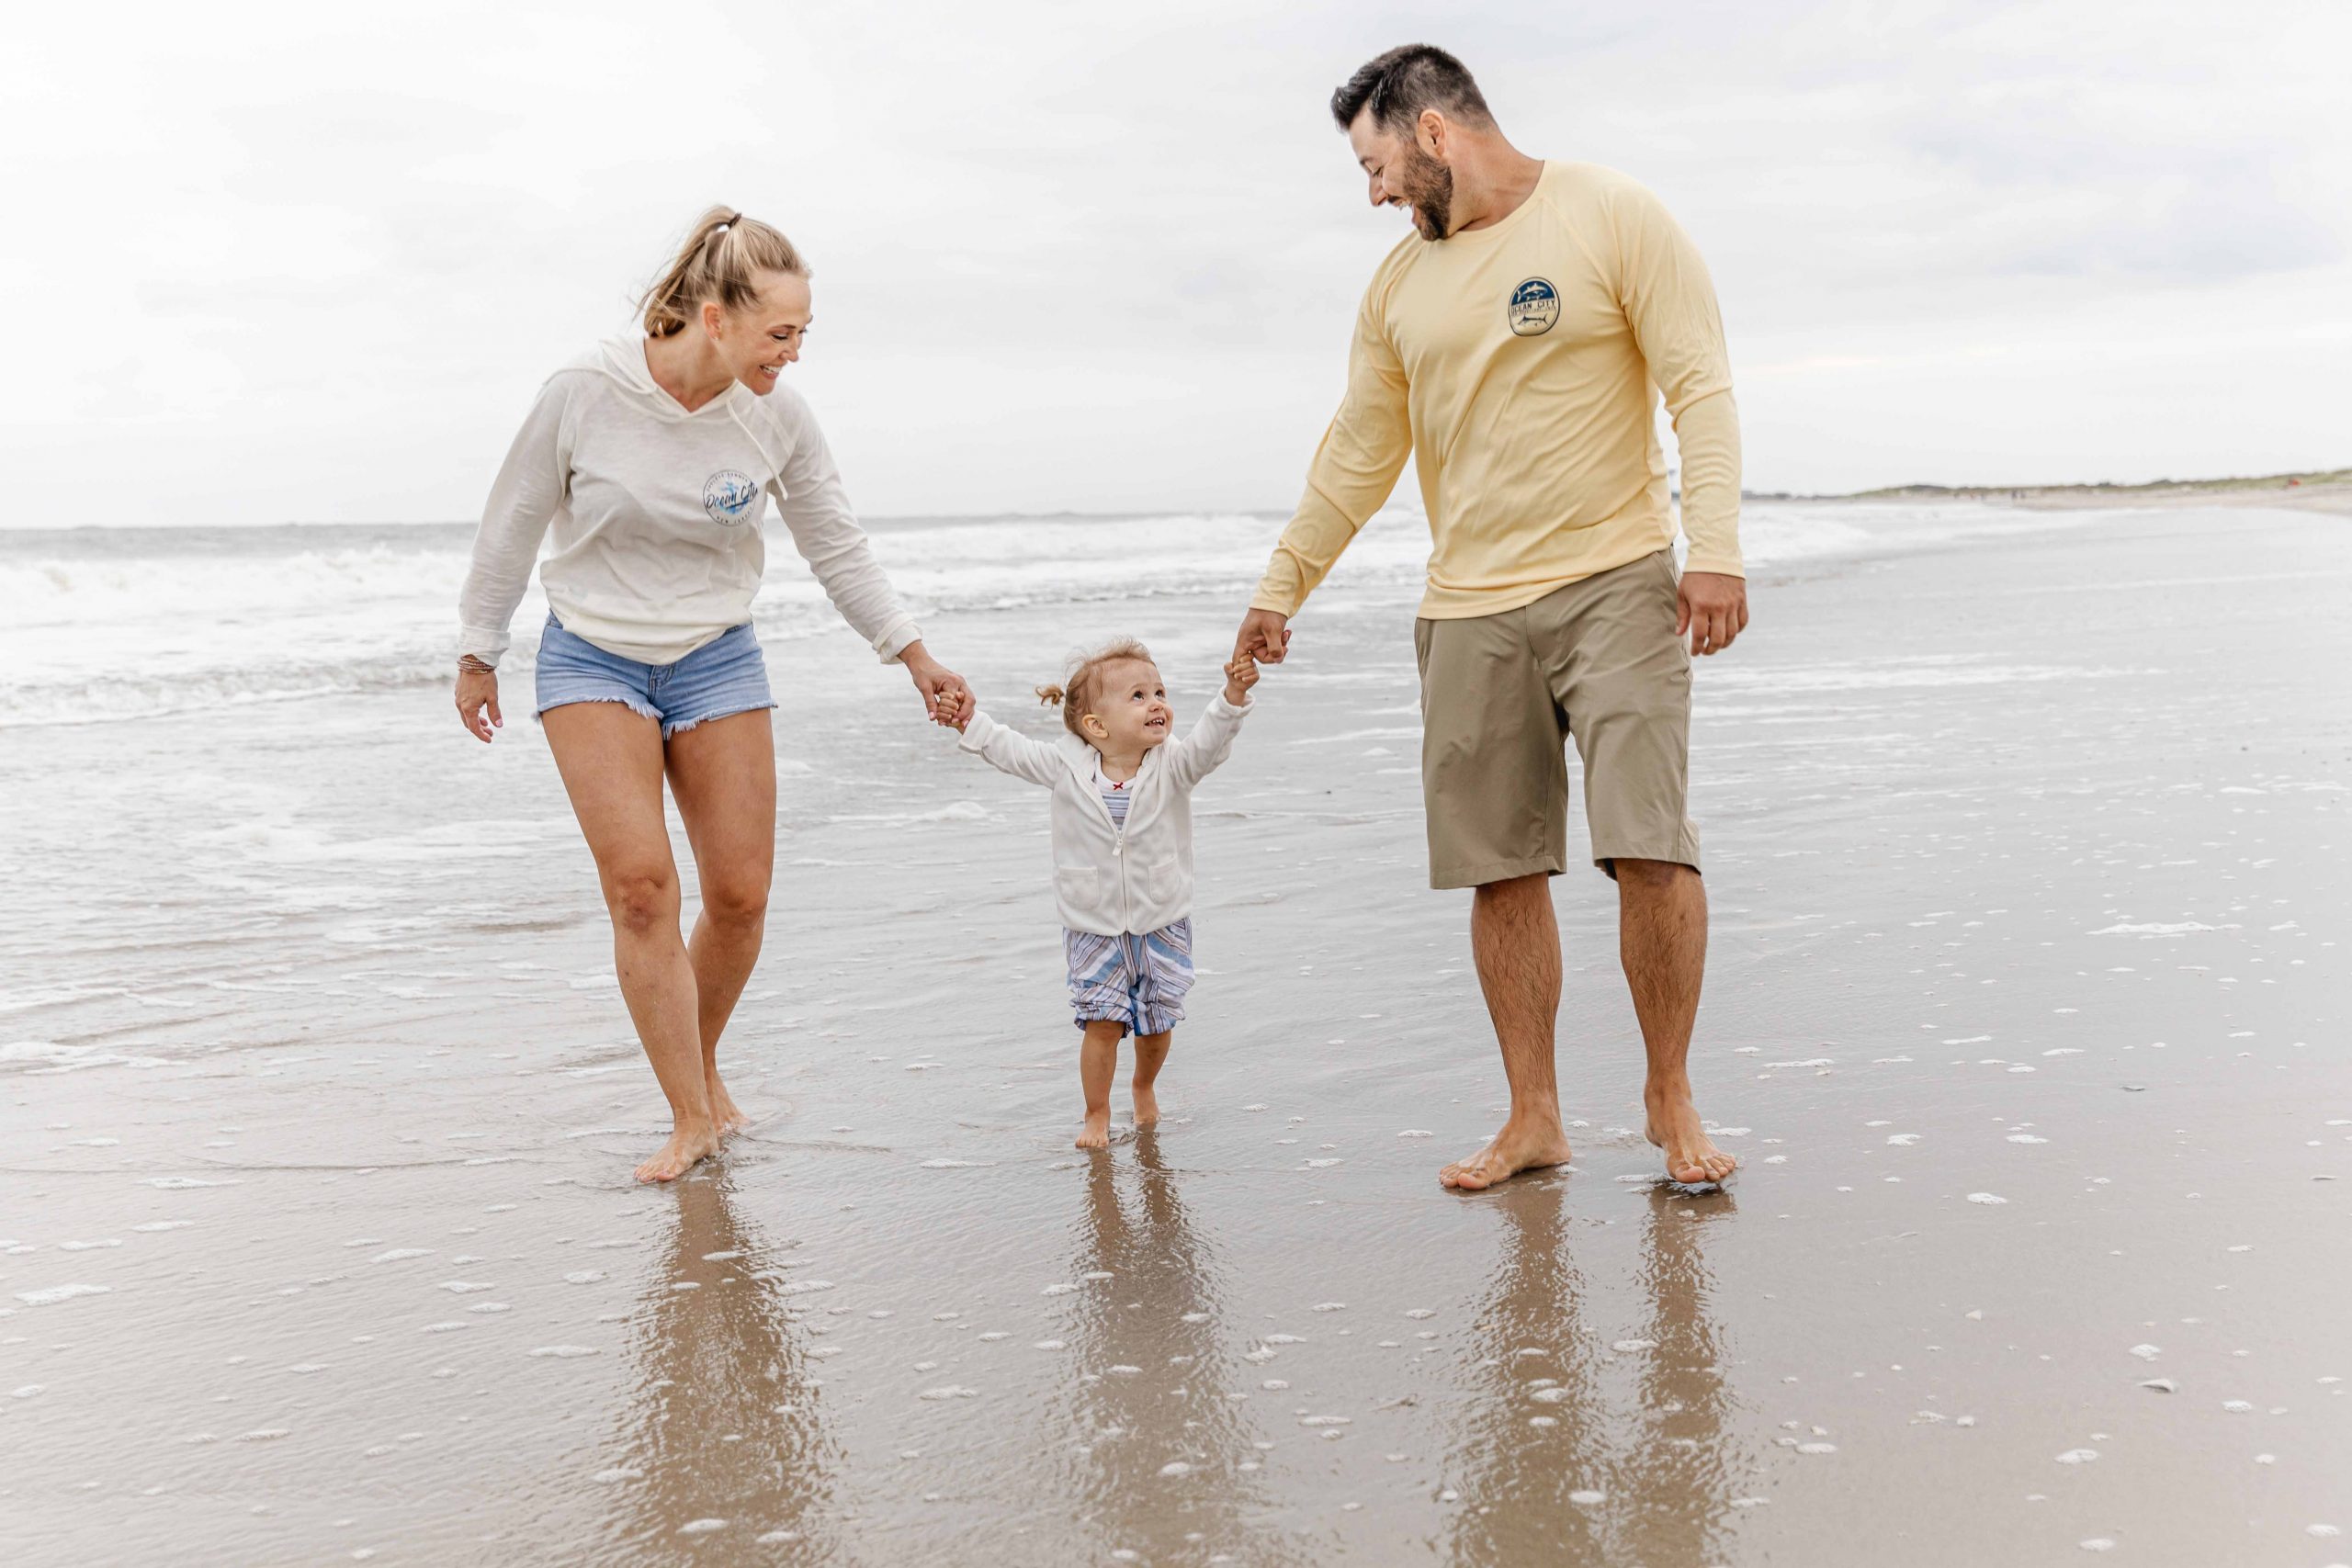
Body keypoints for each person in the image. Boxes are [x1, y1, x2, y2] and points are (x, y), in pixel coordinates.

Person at [1230, 45, 1748, 1190]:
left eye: (1373, 166)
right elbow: (1361, 449)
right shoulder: (1397, 287)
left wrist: (1713, 551)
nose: (1369, 195)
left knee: (1647, 846)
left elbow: (1698, 386)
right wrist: (1283, 584)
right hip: (1468, 609)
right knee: (1498, 869)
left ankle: (1668, 1091)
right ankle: (1534, 1118)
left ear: (1429, 134)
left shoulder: (1610, 213)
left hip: (1617, 576)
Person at [454, 206, 971, 1183]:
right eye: (780, 333)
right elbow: (512, 522)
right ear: (713, 316)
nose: (793, 353)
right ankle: (691, 1115)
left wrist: (912, 653)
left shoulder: (775, 414)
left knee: (738, 896)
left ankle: (701, 1066)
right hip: (591, 658)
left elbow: (833, 541)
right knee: (643, 887)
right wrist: (479, 650)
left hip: (716, 655)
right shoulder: (584, 390)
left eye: (802, 335)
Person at [942, 640, 1258, 1148]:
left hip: (1162, 919)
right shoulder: (1065, 766)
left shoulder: (1172, 764)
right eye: (1138, 696)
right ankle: (1096, 1113)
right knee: (1102, 1024)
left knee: (1157, 1021)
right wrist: (968, 722)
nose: (1157, 702)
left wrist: (1233, 694)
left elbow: (1210, 744)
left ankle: (1144, 1086)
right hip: (1092, 923)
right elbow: (1009, 750)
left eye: (1159, 691)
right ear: (1096, 725)